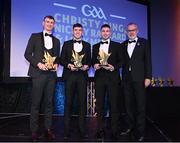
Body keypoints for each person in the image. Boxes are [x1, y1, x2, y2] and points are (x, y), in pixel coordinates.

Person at [24, 15, 60, 141]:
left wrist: (56, 64)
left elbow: (57, 58)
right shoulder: (34, 36)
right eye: (47, 22)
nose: (49, 24)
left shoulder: (57, 41)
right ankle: (34, 131)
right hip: (38, 74)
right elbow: (27, 54)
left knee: (49, 104)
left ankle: (48, 129)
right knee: (36, 104)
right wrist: (38, 64)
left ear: (54, 25)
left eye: (52, 22)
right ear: (43, 23)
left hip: (51, 76)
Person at [120, 22, 152, 141]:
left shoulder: (144, 43)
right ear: (126, 32)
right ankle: (130, 127)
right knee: (128, 106)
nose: (131, 32)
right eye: (129, 30)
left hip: (140, 79)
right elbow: (121, 62)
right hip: (127, 80)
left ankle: (140, 131)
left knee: (140, 106)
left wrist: (148, 77)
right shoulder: (123, 45)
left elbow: (148, 61)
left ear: (137, 31)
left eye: (133, 30)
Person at [92, 24, 123, 141]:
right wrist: (94, 65)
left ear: (110, 33)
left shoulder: (117, 46)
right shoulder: (95, 46)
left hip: (113, 79)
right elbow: (92, 61)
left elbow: (122, 61)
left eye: (107, 31)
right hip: (99, 78)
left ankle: (114, 131)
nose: (105, 33)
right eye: (103, 31)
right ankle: (100, 130)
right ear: (100, 33)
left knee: (114, 105)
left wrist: (113, 67)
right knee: (99, 106)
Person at [60, 23, 91, 140]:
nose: (78, 32)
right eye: (76, 30)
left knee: (82, 104)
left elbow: (89, 61)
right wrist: (68, 65)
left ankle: (82, 131)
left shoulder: (87, 45)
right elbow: (61, 59)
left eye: (80, 30)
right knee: (68, 104)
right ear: (72, 32)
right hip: (70, 76)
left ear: (82, 32)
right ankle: (66, 131)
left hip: (82, 76)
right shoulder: (66, 44)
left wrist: (87, 66)